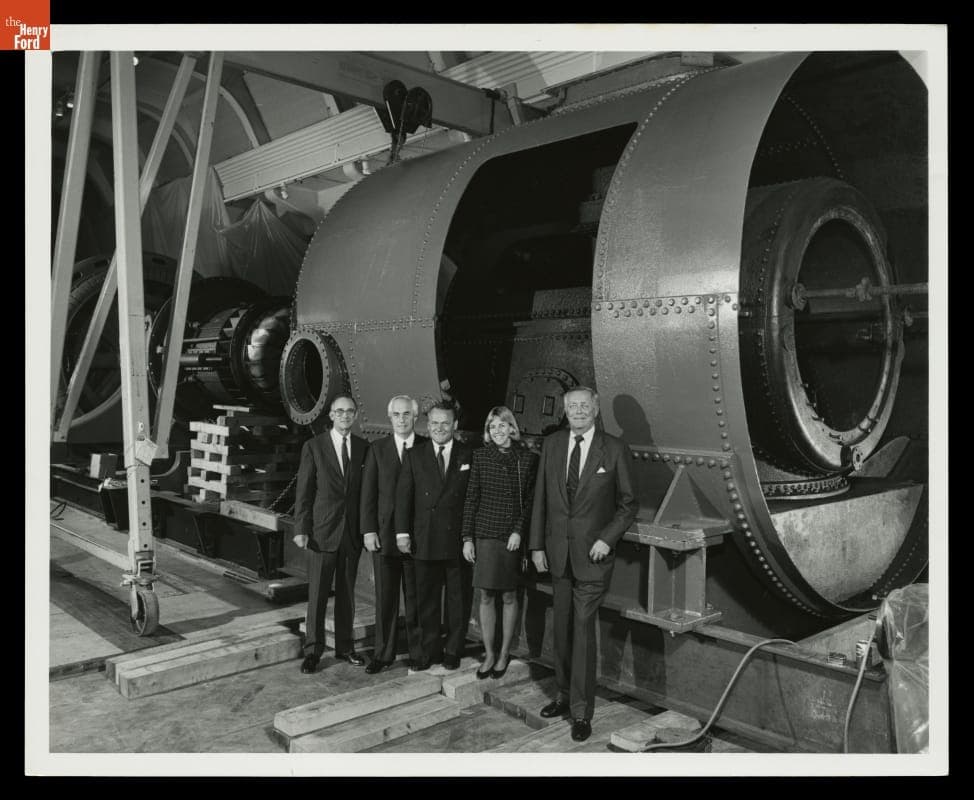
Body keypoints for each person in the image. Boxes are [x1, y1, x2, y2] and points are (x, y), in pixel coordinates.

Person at [529, 387, 638, 742]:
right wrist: (536, 546)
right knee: (561, 629)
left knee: (582, 631)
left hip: (593, 558)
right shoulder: (553, 445)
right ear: (565, 411)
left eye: (583, 406)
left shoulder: (615, 448)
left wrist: (607, 538)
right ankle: (562, 695)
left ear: (595, 409)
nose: (577, 411)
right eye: (571, 406)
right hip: (557, 554)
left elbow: (628, 504)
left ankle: (581, 711)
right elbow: (541, 500)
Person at [461, 406, 539, 681]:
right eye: (492, 427)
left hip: (511, 538)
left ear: (512, 428)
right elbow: (471, 499)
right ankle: (489, 653)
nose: (497, 431)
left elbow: (530, 502)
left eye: (502, 426)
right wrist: (467, 538)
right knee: (485, 595)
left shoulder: (528, 459)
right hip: (485, 535)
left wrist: (519, 531)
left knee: (508, 595)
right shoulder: (480, 457)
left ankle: (505, 654)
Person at [293, 394, 369, 674]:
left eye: (350, 411)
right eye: (340, 411)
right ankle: (313, 651)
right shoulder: (314, 447)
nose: (345, 416)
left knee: (347, 593)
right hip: (321, 532)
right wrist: (301, 528)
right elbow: (304, 492)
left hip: (350, 534)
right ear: (331, 416)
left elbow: (365, 494)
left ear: (356, 415)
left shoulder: (363, 448)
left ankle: (346, 648)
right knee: (318, 595)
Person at [395, 400, 473, 671]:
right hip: (423, 538)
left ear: (455, 425)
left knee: (457, 599)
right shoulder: (415, 455)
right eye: (435, 423)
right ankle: (428, 651)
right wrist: (402, 533)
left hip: (456, 540)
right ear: (427, 426)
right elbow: (403, 497)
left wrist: (469, 537)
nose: (440, 428)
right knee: (425, 600)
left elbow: (472, 500)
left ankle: (453, 650)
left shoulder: (467, 454)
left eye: (445, 423)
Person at [360, 395, 426, 673]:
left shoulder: (425, 448)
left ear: (415, 417)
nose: (401, 420)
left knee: (416, 599)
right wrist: (368, 530)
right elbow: (368, 494)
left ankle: (418, 653)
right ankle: (383, 654)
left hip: (416, 539)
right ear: (390, 418)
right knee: (386, 599)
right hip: (384, 537)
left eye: (406, 415)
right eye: (396, 415)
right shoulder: (378, 449)